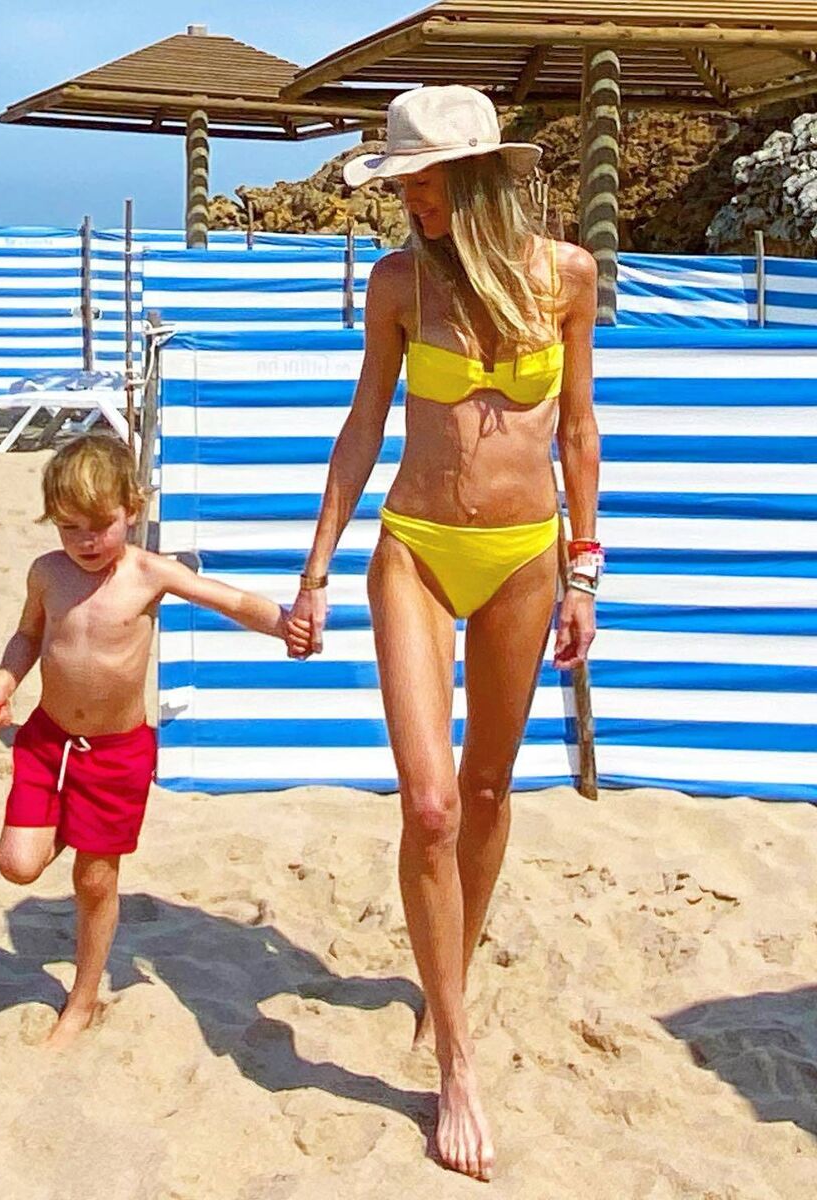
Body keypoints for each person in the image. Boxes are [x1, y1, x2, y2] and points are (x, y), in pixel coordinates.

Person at [285, 86, 602, 1181]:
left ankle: (445, 983)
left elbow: (577, 429)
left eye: (422, 182)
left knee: (488, 791)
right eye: (402, 183)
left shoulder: (565, 276)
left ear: (474, 181)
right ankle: (456, 1061)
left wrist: (585, 571)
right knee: (429, 805)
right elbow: (365, 422)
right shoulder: (398, 283)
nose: (408, 201)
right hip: (416, 546)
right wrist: (316, 570)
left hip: (526, 557)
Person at [0, 433, 302, 1047]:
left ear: (132, 509)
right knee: (17, 865)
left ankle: (82, 1000)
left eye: (100, 526)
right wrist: (6, 678)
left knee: (94, 881)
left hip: (116, 752)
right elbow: (27, 636)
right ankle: (68, 825)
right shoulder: (47, 573)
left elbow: (230, 600)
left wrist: (285, 626)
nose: (86, 542)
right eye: (69, 528)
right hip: (48, 740)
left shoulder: (148, 573)